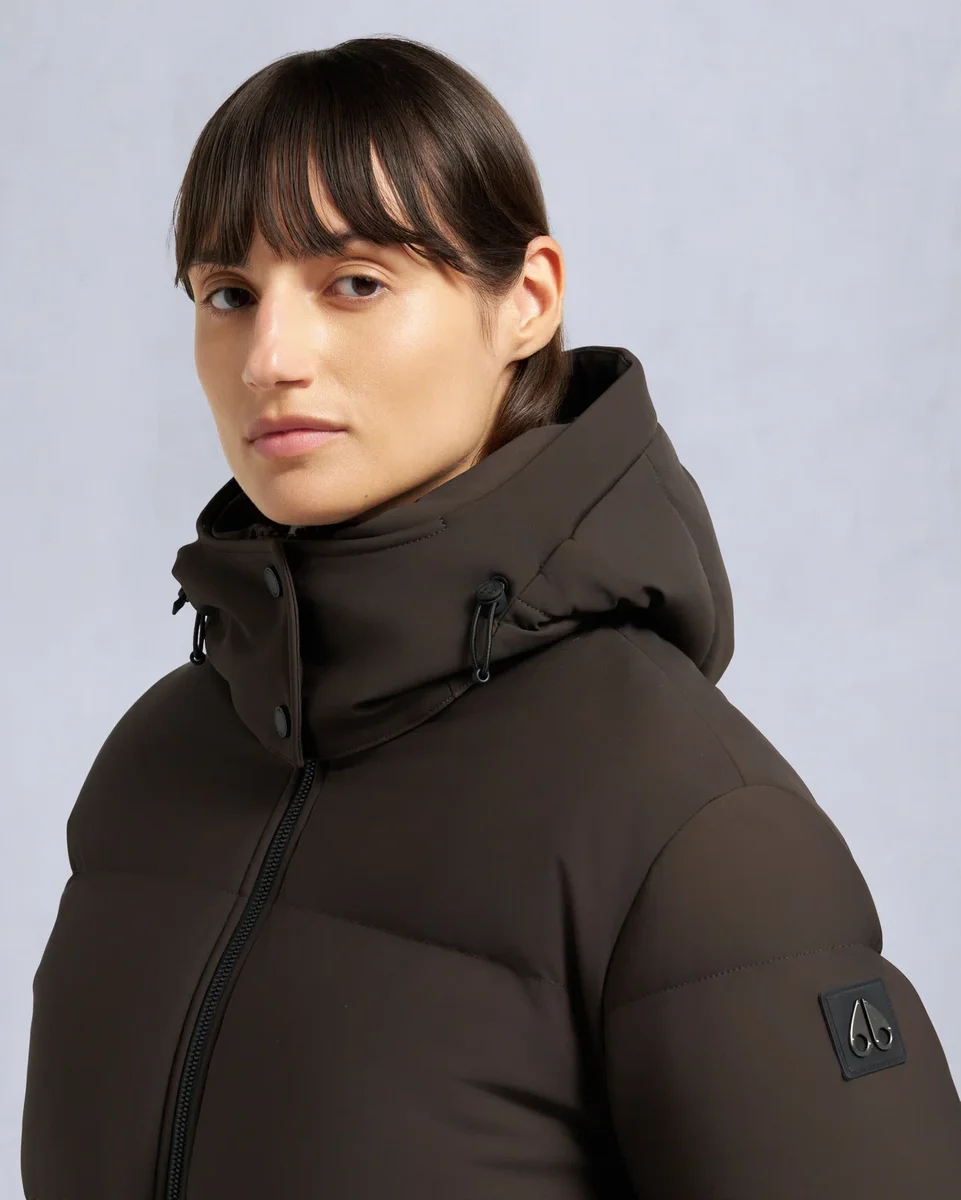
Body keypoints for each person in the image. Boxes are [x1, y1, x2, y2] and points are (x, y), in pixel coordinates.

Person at [20, 34, 961, 1200]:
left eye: (354, 283)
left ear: (526, 301)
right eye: (229, 295)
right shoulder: (156, 765)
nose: (270, 357)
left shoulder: (681, 815)